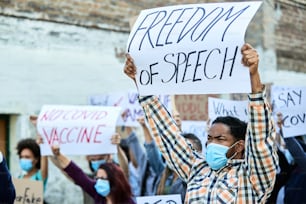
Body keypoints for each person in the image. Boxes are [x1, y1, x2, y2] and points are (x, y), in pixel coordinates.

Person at [124, 43, 278, 203]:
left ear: (239, 146)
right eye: (210, 138)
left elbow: (261, 139)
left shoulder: (252, 177)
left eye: (220, 139)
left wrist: (254, 76)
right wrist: (140, 81)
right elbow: (168, 136)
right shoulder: (196, 169)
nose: (211, 144)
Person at [50, 145, 135, 204]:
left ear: (114, 180)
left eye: (102, 178)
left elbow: (124, 168)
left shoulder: (127, 201)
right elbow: (77, 173)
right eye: (97, 178)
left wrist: (116, 146)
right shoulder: (98, 194)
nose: (99, 182)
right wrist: (58, 155)